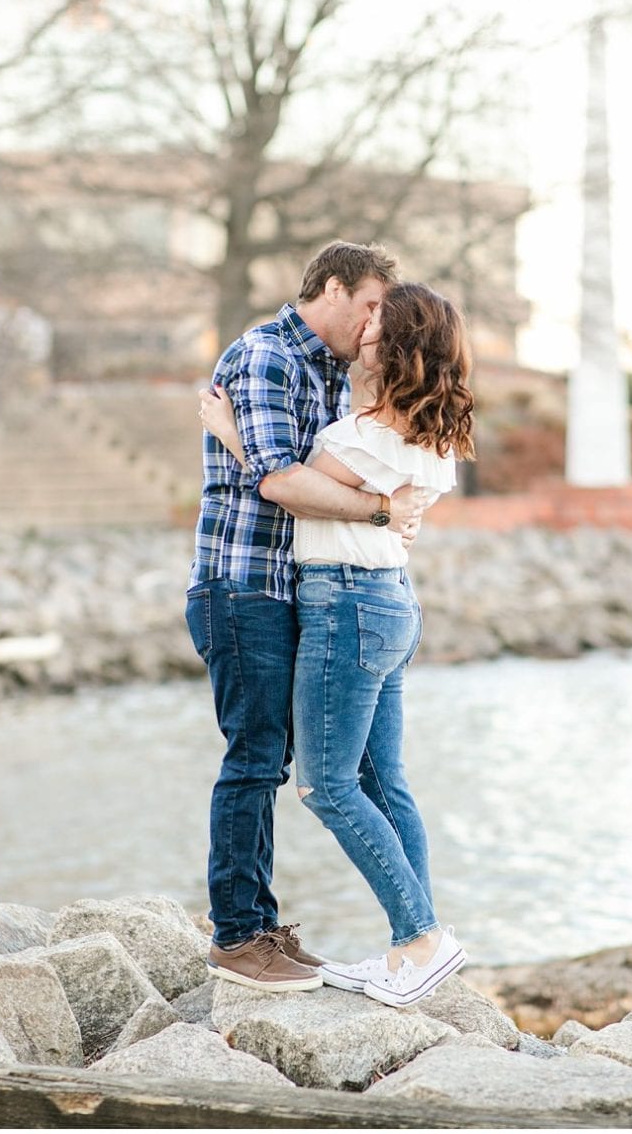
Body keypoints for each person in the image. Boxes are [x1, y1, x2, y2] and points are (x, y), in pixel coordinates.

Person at [199, 281, 474, 1008]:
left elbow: (285, 485)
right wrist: (387, 513)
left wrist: (231, 438)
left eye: (381, 316)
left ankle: (421, 939)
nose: (367, 322)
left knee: (327, 785)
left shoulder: (365, 436)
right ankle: (410, 949)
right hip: (388, 601)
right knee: (386, 781)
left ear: (401, 343)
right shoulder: (419, 430)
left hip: (347, 602)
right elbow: (350, 499)